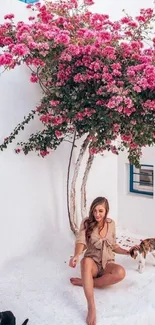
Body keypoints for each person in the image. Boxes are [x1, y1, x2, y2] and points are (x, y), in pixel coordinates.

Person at [69, 196, 135, 325]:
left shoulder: (111, 224)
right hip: (93, 264)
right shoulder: (87, 222)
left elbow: (114, 246)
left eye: (100, 211)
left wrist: (128, 251)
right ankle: (91, 307)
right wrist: (76, 255)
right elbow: (81, 241)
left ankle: (87, 282)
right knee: (85, 261)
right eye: (94, 211)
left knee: (121, 272)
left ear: (106, 211)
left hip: (107, 264)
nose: (97, 214)